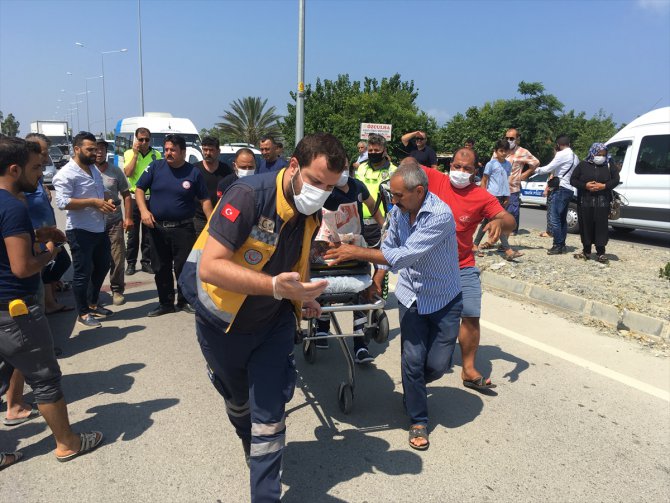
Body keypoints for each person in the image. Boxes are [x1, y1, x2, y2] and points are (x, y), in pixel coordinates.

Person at [178, 132, 346, 502]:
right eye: (316, 181)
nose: (320, 192)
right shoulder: (248, 196)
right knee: (239, 405)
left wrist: (301, 296)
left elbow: (294, 260)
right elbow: (210, 267)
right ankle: (245, 435)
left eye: (330, 186)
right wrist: (275, 286)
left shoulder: (311, 212)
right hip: (222, 324)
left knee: (269, 417)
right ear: (293, 167)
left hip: (273, 325)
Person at [325, 160, 462, 451]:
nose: (394, 200)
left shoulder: (439, 215)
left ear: (419, 191)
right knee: (412, 360)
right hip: (411, 296)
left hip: (444, 298)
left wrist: (355, 251)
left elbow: (402, 256)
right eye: (393, 195)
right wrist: (377, 275)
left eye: (399, 195)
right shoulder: (399, 211)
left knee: (437, 365)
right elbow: (389, 246)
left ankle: (415, 388)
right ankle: (418, 419)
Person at [0, 137, 103, 469]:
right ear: (14, 169)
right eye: (35, 167)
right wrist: (50, 252)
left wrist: (34, 235)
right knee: (44, 378)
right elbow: (22, 266)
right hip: (14, 310)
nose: (41, 171)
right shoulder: (13, 206)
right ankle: (67, 443)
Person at [416, 151, 515, 392]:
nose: (460, 172)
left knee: (471, 313)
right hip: (428, 264)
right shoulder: (433, 178)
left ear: (475, 171)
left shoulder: (481, 196)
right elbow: (408, 166)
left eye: (467, 169)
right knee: (427, 318)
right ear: (450, 165)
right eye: (457, 166)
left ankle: (468, 369)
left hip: (462, 264)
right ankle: (428, 359)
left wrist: (500, 222)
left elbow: (509, 220)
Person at [313, 165, 385, 364]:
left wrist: (385, 228)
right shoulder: (322, 188)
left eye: (344, 166)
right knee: (325, 284)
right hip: (326, 245)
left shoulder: (358, 187)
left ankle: (360, 345)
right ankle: (321, 326)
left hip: (354, 246)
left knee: (360, 294)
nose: (342, 171)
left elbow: (373, 208)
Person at [135, 134, 213, 317]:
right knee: (160, 267)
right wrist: (144, 211)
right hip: (156, 228)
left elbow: (205, 200)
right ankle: (165, 303)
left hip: (183, 229)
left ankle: (184, 301)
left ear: (183, 152)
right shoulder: (155, 167)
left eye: (173, 150)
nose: (168, 153)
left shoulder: (193, 173)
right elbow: (139, 189)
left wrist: (212, 224)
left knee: (183, 267)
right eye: (166, 149)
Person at [53, 132, 114, 328]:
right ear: (76, 149)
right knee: (82, 273)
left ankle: (93, 303)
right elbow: (62, 202)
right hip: (80, 231)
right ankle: (83, 312)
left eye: (95, 149)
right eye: (90, 149)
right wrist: (93, 202)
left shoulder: (93, 169)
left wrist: (106, 199)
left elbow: (99, 192)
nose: (94, 153)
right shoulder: (66, 174)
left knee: (103, 266)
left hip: (99, 228)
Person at [24, 133, 73, 314]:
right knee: (49, 266)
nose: (46, 157)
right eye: (43, 152)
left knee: (58, 264)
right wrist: (38, 239)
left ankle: (50, 298)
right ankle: (48, 304)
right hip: (37, 236)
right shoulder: (22, 181)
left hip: (47, 232)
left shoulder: (35, 178)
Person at [354, 133, 396, 297]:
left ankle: (379, 294)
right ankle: (360, 292)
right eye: (370, 150)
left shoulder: (394, 171)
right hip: (358, 221)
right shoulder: (362, 167)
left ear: (384, 150)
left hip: (382, 222)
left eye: (376, 150)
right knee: (360, 259)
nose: (372, 153)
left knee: (380, 260)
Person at [95, 139, 133, 306]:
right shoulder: (87, 171)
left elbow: (126, 195)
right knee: (94, 259)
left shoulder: (115, 171)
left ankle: (117, 289)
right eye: (96, 149)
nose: (99, 152)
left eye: (102, 149)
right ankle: (93, 291)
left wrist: (128, 217)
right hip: (93, 223)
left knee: (117, 257)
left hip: (114, 221)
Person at [570, 143, 620, 264]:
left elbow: (616, 180)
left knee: (601, 226)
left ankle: (601, 252)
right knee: (586, 225)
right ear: (592, 153)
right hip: (585, 201)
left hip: (603, 202)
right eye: (598, 154)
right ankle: (586, 251)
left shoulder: (609, 165)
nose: (601, 157)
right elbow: (573, 180)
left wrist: (604, 186)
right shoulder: (583, 165)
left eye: (603, 154)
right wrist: (585, 185)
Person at [473, 140, 522, 260]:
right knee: (497, 222)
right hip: (491, 197)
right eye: (501, 151)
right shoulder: (491, 164)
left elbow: (506, 181)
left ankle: (474, 245)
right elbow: (484, 180)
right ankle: (508, 250)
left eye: (506, 151)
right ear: (495, 151)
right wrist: (483, 196)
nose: (503, 153)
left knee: (487, 222)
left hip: (503, 196)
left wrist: (508, 195)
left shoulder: (508, 165)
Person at [123, 127, 162, 275]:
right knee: (132, 234)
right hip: (134, 198)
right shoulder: (129, 153)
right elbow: (128, 173)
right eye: (141, 139)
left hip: (151, 198)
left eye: (146, 139)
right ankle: (131, 263)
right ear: (136, 139)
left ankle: (146, 262)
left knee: (148, 233)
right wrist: (135, 154)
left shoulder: (156, 154)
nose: (144, 142)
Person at [533, 135, 579, 255]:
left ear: (558, 145)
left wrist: (535, 169)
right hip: (569, 189)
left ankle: (557, 245)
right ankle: (562, 245)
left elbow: (548, 168)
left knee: (554, 219)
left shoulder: (561, 154)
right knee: (562, 219)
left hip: (560, 189)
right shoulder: (575, 157)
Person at [502, 128, 540, 235]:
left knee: (512, 210)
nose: (509, 140)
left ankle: (513, 230)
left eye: (512, 138)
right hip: (499, 187)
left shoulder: (523, 152)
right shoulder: (501, 150)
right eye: (507, 138)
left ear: (517, 139)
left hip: (513, 187)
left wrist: (526, 173)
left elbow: (536, 162)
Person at [193, 136, 232, 236]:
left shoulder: (226, 170)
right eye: (205, 150)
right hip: (199, 220)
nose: (207, 153)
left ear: (218, 151)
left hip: (221, 219)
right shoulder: (194, 170)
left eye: (211, 150)